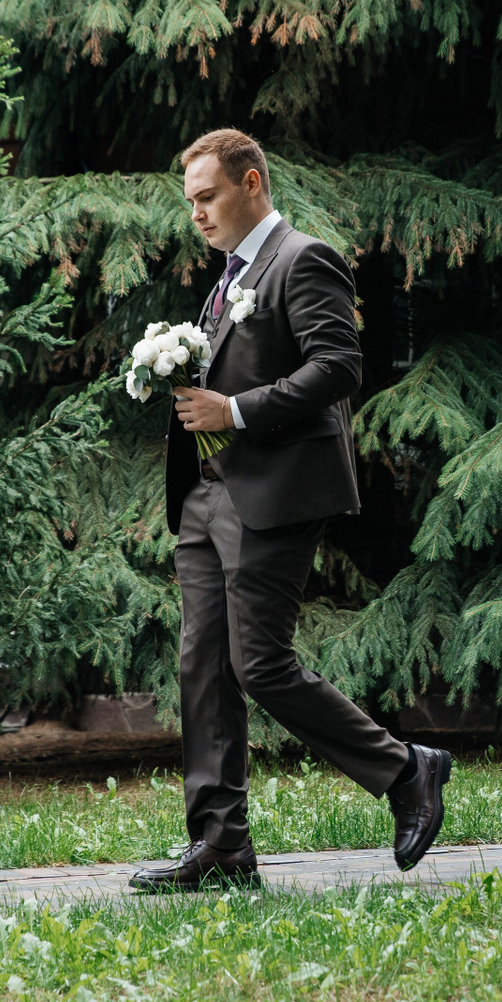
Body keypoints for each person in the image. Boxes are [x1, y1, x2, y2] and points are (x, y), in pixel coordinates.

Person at [128, 129, 451, 893]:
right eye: (190, 201)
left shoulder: (303, 258)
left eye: (208, 196)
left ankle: (406, 769)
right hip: (205, 495)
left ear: (251, 183)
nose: (197, 213)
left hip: (272, 493)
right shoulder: (227, 279)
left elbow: (338, 366)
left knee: (261, 665)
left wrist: (234, 409)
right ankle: (220, 845)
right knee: (203, 667)